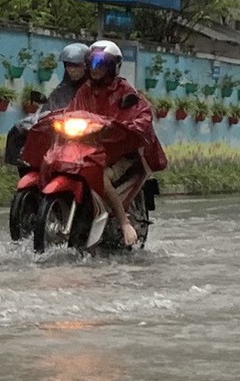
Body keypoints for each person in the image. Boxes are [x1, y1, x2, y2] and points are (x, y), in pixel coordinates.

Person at [65, 39, 167, 244]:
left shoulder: (125, 91)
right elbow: (71, 111)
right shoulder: (84, 90)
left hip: (121, 153)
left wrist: (121, 127)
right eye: (92, 64)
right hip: (91, 150)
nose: (95, 69)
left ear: (112, 67)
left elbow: (143, 115)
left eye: (100, 64)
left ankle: (123, 222)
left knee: (99, 177)